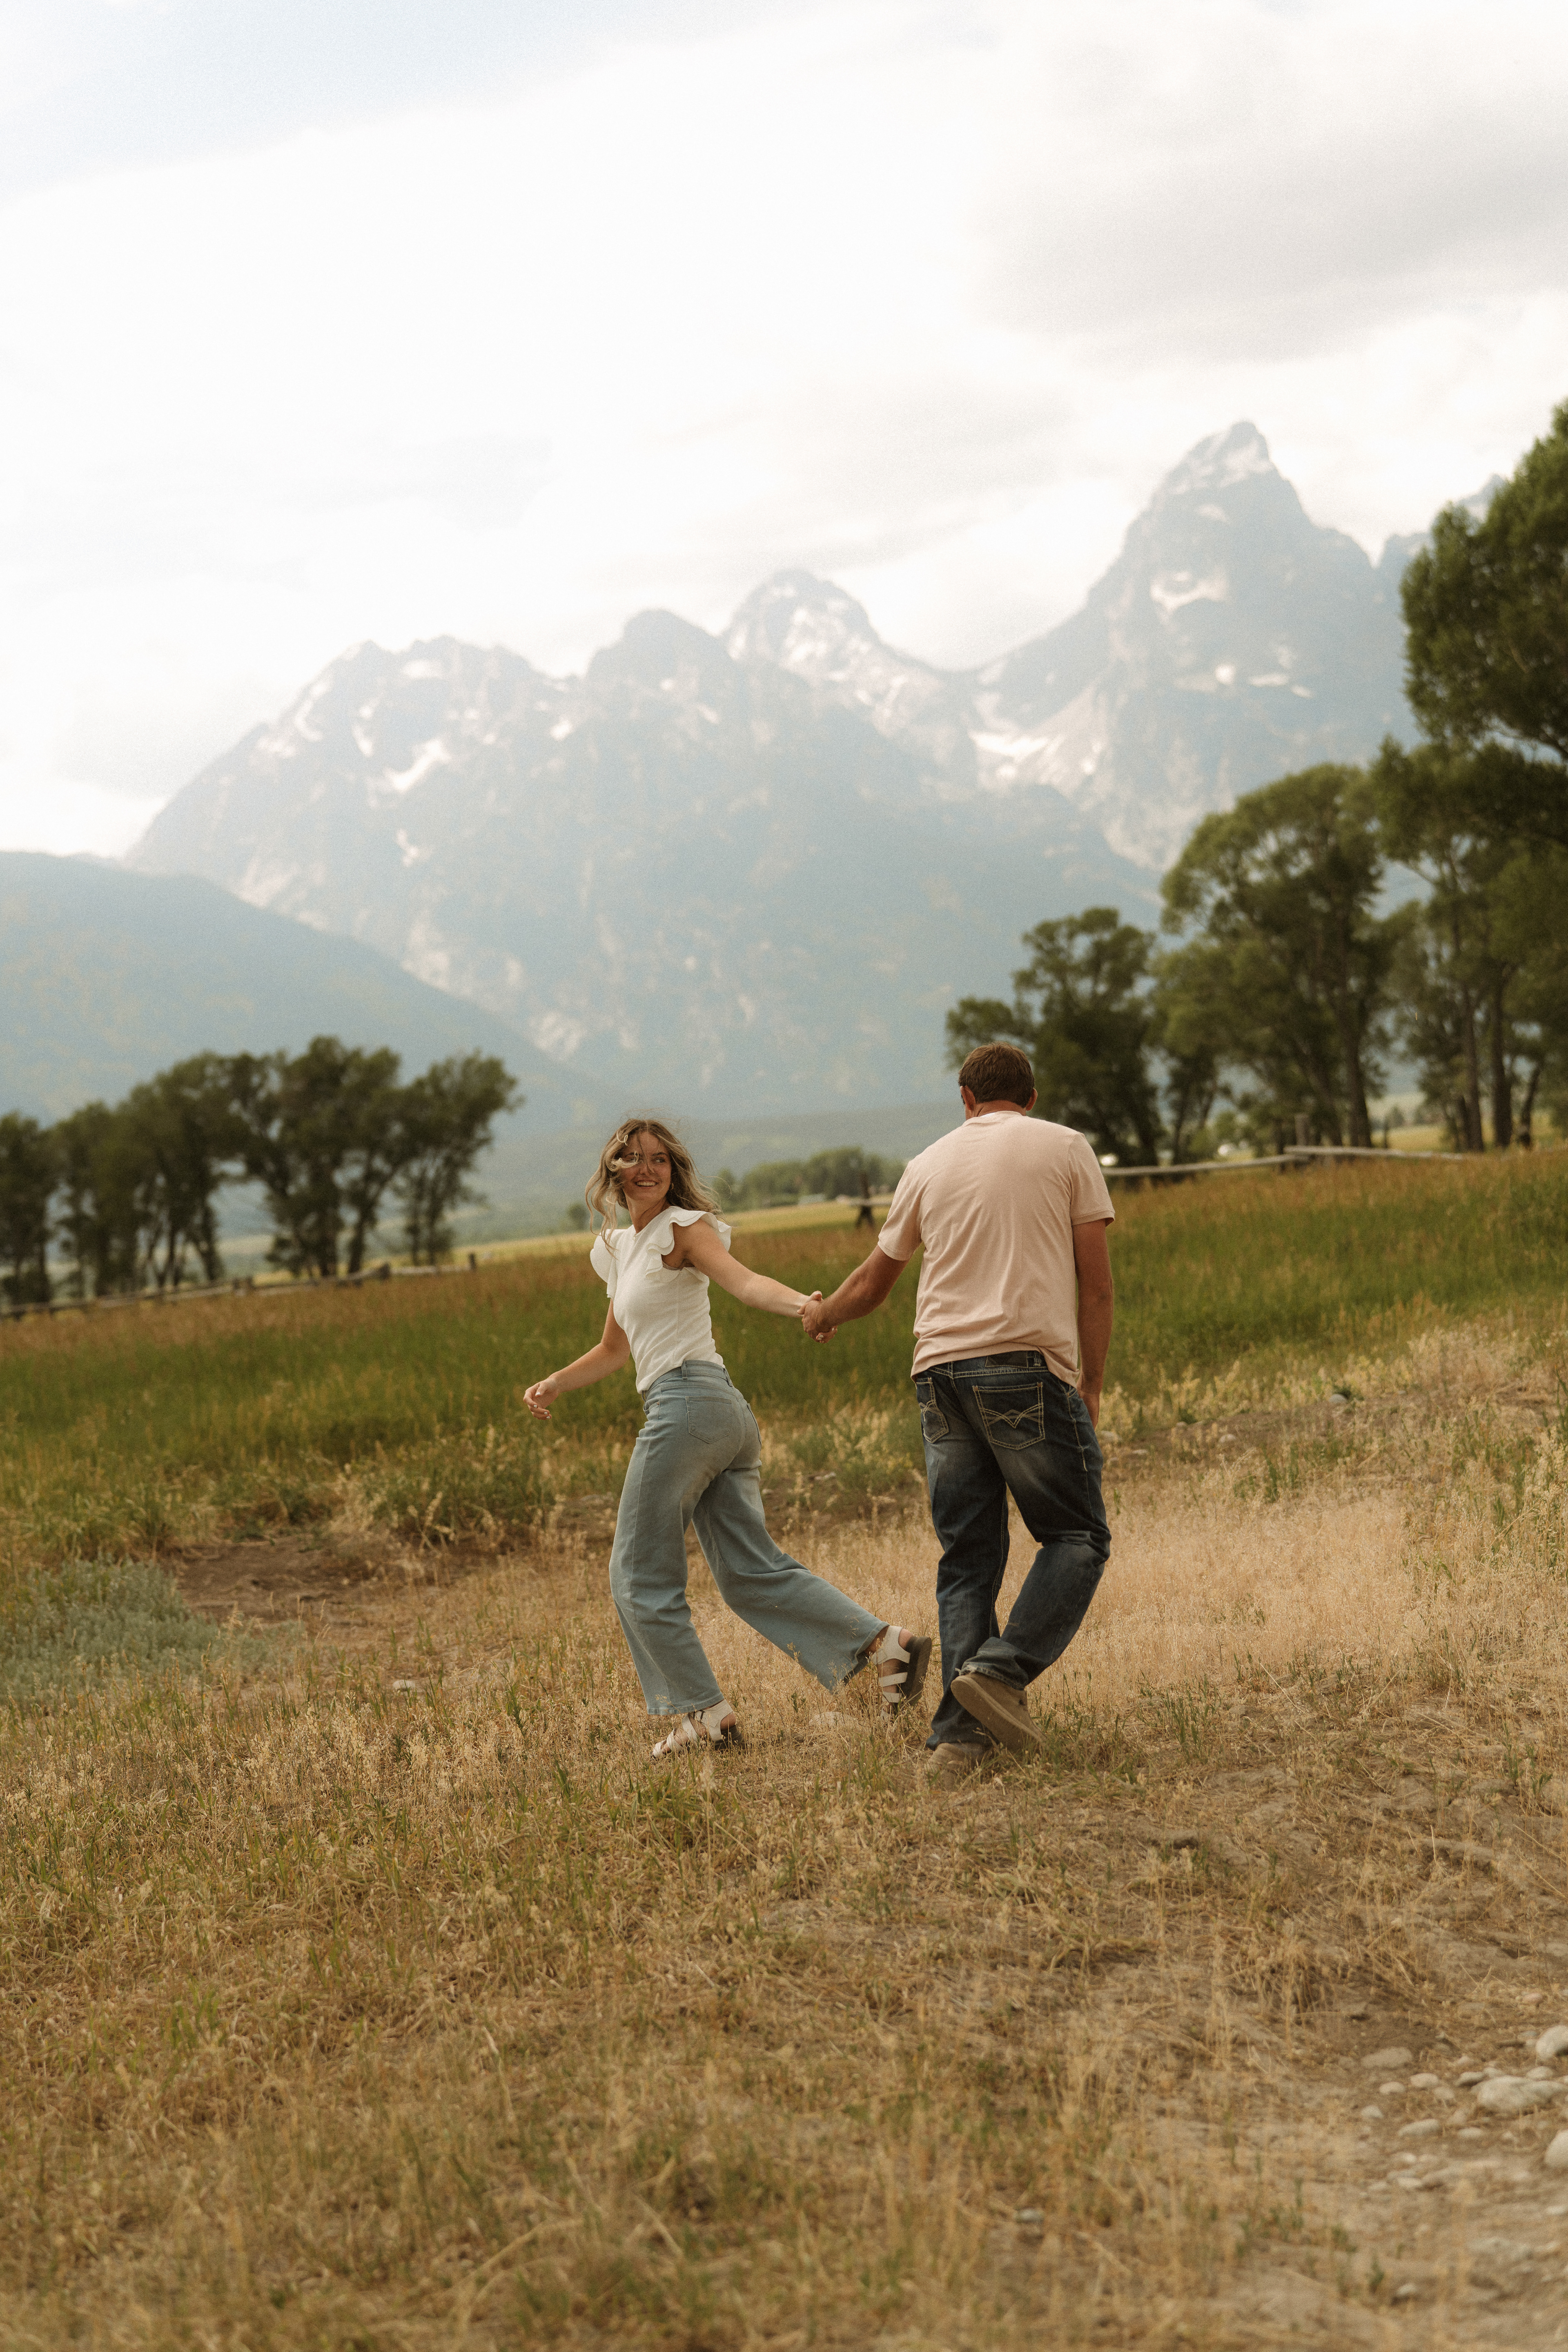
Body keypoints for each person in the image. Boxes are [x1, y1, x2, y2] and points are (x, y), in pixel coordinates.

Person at [523, 1116, 931, 1757]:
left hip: (689, 1407)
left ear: (673, 1169)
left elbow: (742, 1282)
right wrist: (556, 1382)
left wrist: (806, 1305)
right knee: (748, 1572)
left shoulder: (683, 1229)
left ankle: (701, 1715)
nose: (649, 1168)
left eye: (660, 1158)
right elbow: (614, 1348)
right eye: (634, 1159)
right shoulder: (617, 1248)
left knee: (636, 1573)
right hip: (714, 1413)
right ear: (614, 1171)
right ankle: (885, 1647)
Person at [800, 1044, 1115, 1780]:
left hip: (939, 1375)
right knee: (1076, 1535)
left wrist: (823, 1316)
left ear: (967, 1100)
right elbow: (1095, 1285)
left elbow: (873, 1284)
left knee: (968, 1557)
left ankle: (957, 1746)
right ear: (1030, 1097)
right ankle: (998, 1675)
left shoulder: (926, 1164)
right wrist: (1090, 1386)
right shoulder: (1067, 1148)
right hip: (1023, 1368)